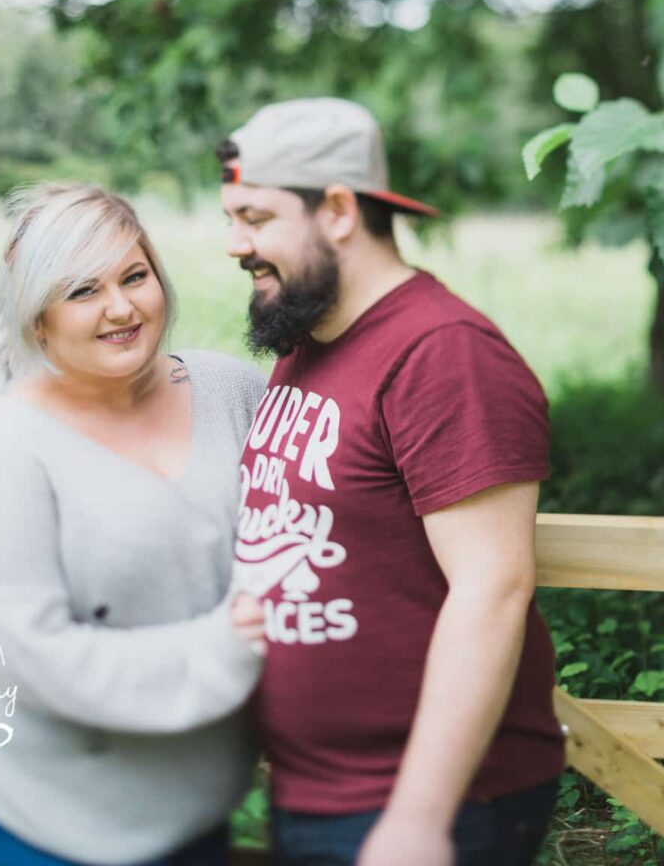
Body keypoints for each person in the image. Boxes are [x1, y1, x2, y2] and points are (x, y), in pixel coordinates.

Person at [219, 98, 564, 866]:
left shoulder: (445, 354)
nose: (235, 244)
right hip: (317, 792)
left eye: (254, 217)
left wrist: (417, 819)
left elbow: (494, 589)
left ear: (338, 209)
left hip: (422, 809)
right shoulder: (311, 337)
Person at [0, 183, 268, 866]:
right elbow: (35, 659)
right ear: (38, 321)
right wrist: (231, 645)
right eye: (82, 291)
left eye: (134, 276)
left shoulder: (232, 390)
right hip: (52, 814)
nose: (121, 307)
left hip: (199, 796)